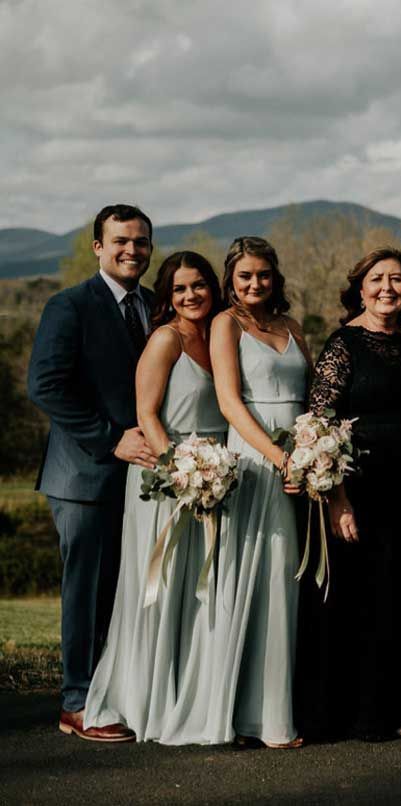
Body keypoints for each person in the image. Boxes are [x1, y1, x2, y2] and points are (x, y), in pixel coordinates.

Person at [82, 251, 231, 743]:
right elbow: (147, 415)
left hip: (218, 477)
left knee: (200, 589)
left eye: (199, 286)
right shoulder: (165, 339)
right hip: (168, 481)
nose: (191, 296)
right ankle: (140, 700)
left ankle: (189, 698)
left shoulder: (222, 335)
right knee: (159, 587)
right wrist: (182, 474)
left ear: (214, 286)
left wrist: (212, 476)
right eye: (180, 289)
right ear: (167, 296)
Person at [295, 247, 401, 742]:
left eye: (397, 280)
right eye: (377, 279)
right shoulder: (343, 346)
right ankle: (355, 713)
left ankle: (400, 704)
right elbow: (318, 426)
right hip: (360, 493)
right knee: (362, 601)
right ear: (359, 287)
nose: (387, 289)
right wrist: (337, 501)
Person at [27, 204, 157, 742]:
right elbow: (47, 385)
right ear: (97, 247)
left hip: (144, 476)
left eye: (142, 242)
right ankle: (77, 702)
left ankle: (119, 693)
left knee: (128, 591)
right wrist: (110, 438)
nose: (132, 250)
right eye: (121, 241)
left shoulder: (155, 305)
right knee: (87, 591)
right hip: (83, 476)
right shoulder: (70, 305)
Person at [209, 236, 310, 748]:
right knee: (260, 577)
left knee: (289, 582)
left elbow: (311, 399)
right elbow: (229, 402)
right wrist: (277, 457)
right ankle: (250, 717)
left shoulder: (292, 328)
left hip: (301, 461)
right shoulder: (225, 325)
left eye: (263, 275)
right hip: (255, 459)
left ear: (276, 278)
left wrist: (314, 453)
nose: (255, 284)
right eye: (245, 276)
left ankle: (284, 707)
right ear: (231, 279)